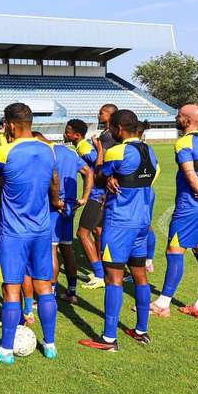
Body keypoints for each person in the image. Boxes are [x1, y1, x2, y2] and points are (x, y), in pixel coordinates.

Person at [0, 103, 62, 363]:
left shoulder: (3, 151)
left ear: (11, 125)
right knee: (44, 287)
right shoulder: (49, 150)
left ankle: (5, 351)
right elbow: (53, 184)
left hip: (14, 232)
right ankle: (49, 345)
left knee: (11, 289)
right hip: (41, 229)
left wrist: (4, 181)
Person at [79, 109, 159, 351]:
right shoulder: (149, 151)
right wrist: (116, 178)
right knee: (140, 277)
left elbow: (100, 173)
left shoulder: (117, 150)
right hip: (142, 223)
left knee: (113, 278)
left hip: (119, 223)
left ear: (118, 129)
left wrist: (107, 170)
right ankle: (141, 330)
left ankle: (108, 339)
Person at [151, 105, 198, 321]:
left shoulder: (184, 142)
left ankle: (162, 304)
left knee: (174, 252)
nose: (176, 117)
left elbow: (190, 175)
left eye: (179, 115)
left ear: (187, 120)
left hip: (190, 208)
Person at [36, 131, 93, 304]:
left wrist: (54, 200)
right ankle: (71, 292)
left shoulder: (45, 153)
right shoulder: (68, 152)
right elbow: (88, 172)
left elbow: (51, 179)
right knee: (67, 248)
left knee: (52, 249)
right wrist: (84, 198)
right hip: (70, 206)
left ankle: (50, 295)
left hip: (54, 206)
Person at [75, 105, 118, 289]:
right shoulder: (108, 134)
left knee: (82, 233)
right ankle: (105, 269)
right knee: (98, 231)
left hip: (100, 193)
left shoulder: (108, 136)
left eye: (102, 112)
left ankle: (100, 274)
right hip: (103, 191)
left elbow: (102, 163)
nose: (98, 114)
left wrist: (97, 148)